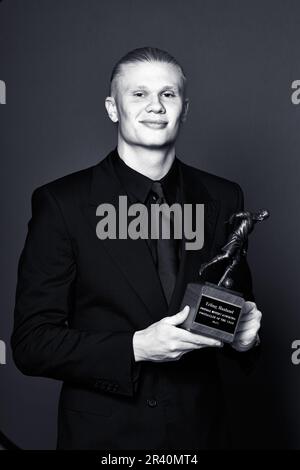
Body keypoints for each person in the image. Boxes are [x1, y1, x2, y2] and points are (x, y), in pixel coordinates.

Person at [11, 47, 262, 450]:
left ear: (185, 109)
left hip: (200, 435)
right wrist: (135, 347)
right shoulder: (62, 203)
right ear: (113, 108)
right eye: (139, 94)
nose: (156, 106)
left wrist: (245, 339)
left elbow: (232, 308)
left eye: (168, 94)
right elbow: (31, 343)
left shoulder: (224, 197)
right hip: (104, 438)